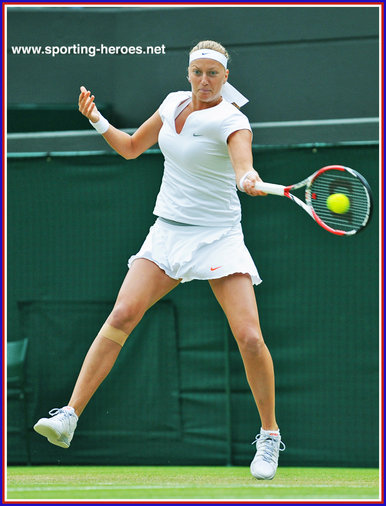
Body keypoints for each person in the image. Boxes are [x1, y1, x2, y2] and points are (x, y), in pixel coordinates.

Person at [33, 40, 285, 480]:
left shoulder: (233, 119)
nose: (204, 81)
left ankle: (269, 435)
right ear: (187, 72)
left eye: (213, 74)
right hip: (167, 231)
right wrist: (96, 119)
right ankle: (69, 416)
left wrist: (247, 177)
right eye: (197, 72)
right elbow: (131, 148)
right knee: (122, 314)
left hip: (217, 237)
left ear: (226, 77)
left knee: (248, 337)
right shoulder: (171, 104)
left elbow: (243, 162)